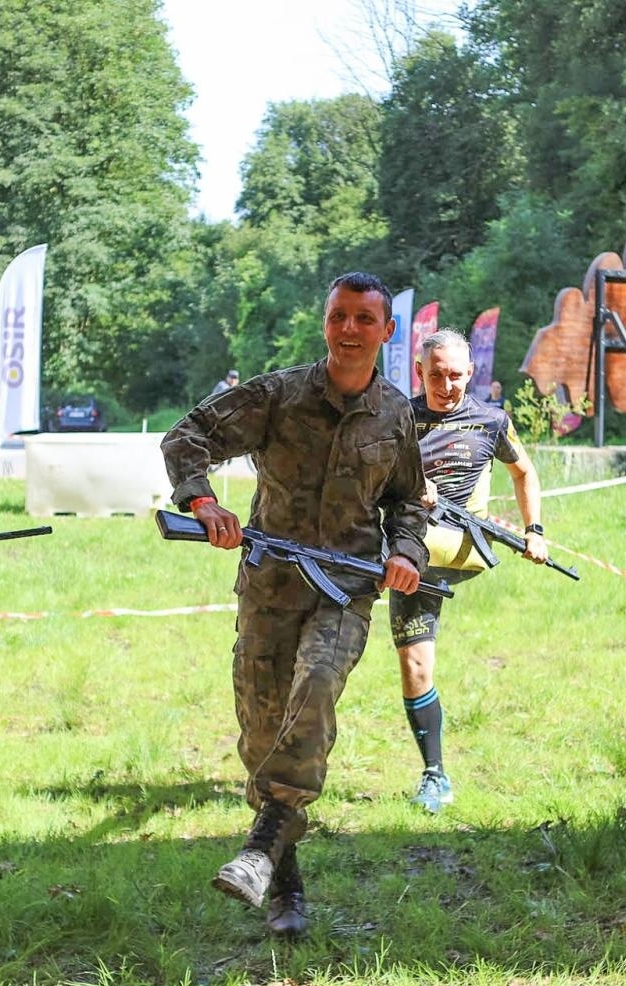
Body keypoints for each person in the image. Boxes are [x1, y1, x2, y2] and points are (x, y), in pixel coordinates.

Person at [162, 272, 428, 939]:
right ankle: (283, 877)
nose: (349, 330)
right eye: (339, 316)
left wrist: (406, 553)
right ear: (325, 322)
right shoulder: (278, 395)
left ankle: (261, 849)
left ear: (387, 331)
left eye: (364, 319)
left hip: (346, 590)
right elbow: (188, 435)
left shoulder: (395, 414)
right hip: (271, 587)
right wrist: (204, 502)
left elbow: (408, 503)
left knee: (317, 684)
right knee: (262, 733)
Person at [392, 331, 547, 811]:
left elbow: (524, 472)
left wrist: (534, 530)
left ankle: (434, 776)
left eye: (456, 376)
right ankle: (434, 774)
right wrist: (411, 485)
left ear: (471, 373)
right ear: (420, 372)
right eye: (436, 375)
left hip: (455, 550)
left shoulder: (492, 420)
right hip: (402, 546)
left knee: (415, 661)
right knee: (415, 667)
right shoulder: (399, 418)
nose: (446, 386)